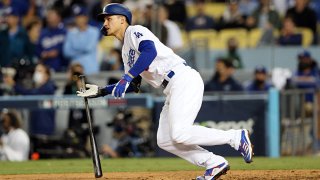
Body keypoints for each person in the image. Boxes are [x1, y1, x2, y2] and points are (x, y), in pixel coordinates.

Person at [77, 3, 253, 180]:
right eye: (104, 20)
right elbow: (134, 85)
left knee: (179, 133)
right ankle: (214, 163)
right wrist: (102, 91)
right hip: (171, 87)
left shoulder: (135, 31)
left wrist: (127, 76)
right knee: (165, 140)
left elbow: (149, 52)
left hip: (182, 78)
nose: (105, 23)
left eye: (109, 18)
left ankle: (235, 137)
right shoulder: (125, 51)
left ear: (122, 20)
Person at [63, 5, 100, 75]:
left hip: (90, 70)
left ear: (86, 18)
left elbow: (88, 48)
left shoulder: (94, 31)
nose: (78, 19)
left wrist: (74, 49)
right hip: (74, 70)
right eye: (76, 17)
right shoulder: (71, 32)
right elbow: (66, 52)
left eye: (80, 16)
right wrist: (82, 50)